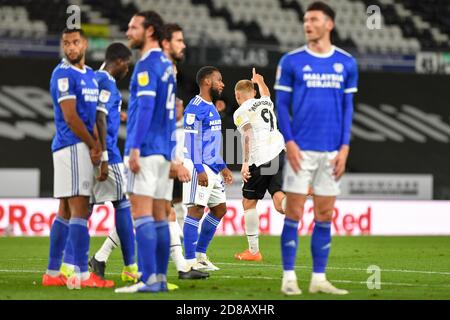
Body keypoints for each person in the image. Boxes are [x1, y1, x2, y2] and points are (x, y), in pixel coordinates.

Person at [275, 1, 358, 295]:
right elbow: (281, 106)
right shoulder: (291, 61)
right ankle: (288, 277)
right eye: (305, 20)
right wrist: (290, 142)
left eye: (314, 19)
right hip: (302, 150)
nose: (307, 24)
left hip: (333, 151)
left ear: (329, 24)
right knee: (294, 213)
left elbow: (348, 107)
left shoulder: (347, 63)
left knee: (325, 215)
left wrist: (345, 147)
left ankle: (318, 278)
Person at [115, 11, 189, 294]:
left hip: (145, 150)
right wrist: (171, 152)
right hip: (162, 150)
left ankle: (148, 279)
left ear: (148, 31)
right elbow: (171, 116)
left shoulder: (147, 65)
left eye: (133, 26)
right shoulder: (166, 65)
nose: (127, 31)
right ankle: (158, 277)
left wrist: (133, 147)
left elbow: (145, 109)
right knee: (160, 215)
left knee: (141, 213)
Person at [57, 42, 138, 284]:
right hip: (107, 153)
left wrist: (117, 116)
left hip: (90, 152)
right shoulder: (106, 81)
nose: (128, 70)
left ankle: (67, 267)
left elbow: (100, 114)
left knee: (85, 210)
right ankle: (131, 268)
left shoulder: (93, 78)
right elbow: (99, 118)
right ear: (121, 62)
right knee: (123, 204)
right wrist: (102, 156)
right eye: (128, 65)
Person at [42, 28, 113, 288]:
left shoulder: (91, 76)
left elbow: (93, 118)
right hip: (71, 146)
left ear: (84, 44)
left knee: (65, 209)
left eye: (75, 42)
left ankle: (52, 273)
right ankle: (83, 275)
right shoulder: (62, 73)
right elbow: (71, 117)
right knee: (80, 208)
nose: (70, 48)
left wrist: (100, 151)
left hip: (84, 146)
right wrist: (93, 145)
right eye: (66, 43)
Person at [161, 23, 209, 280]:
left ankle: (182, 266)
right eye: (179, 40)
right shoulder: (155, 74)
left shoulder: (167, 88)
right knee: (140, 212)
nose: (184, 45)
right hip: (151, 156)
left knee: (159, 210)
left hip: (161, 157)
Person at [182, 66, 233, 271]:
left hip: (212, 166)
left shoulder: (212, 107)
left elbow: (210, 144)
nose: (222, 84)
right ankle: (189, 261)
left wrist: (223, 167)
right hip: (199, 167)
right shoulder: (194, 107)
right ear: (206, 82)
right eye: (218, 80)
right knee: (195, 210)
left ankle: (201, 255)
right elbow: (191, 140)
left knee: (220, 209)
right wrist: (198, 168)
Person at [233, 68, 286, 262]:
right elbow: (266, 93)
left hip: (261, 158)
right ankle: (297, 198)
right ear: (253, 92)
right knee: (280, 200)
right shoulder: (265, 102)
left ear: (238, 96)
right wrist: (260, 81)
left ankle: (253, 251)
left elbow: (248, 134)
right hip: (280, 153)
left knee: (248, 202)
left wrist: (245, 163)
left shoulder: (240, 112)